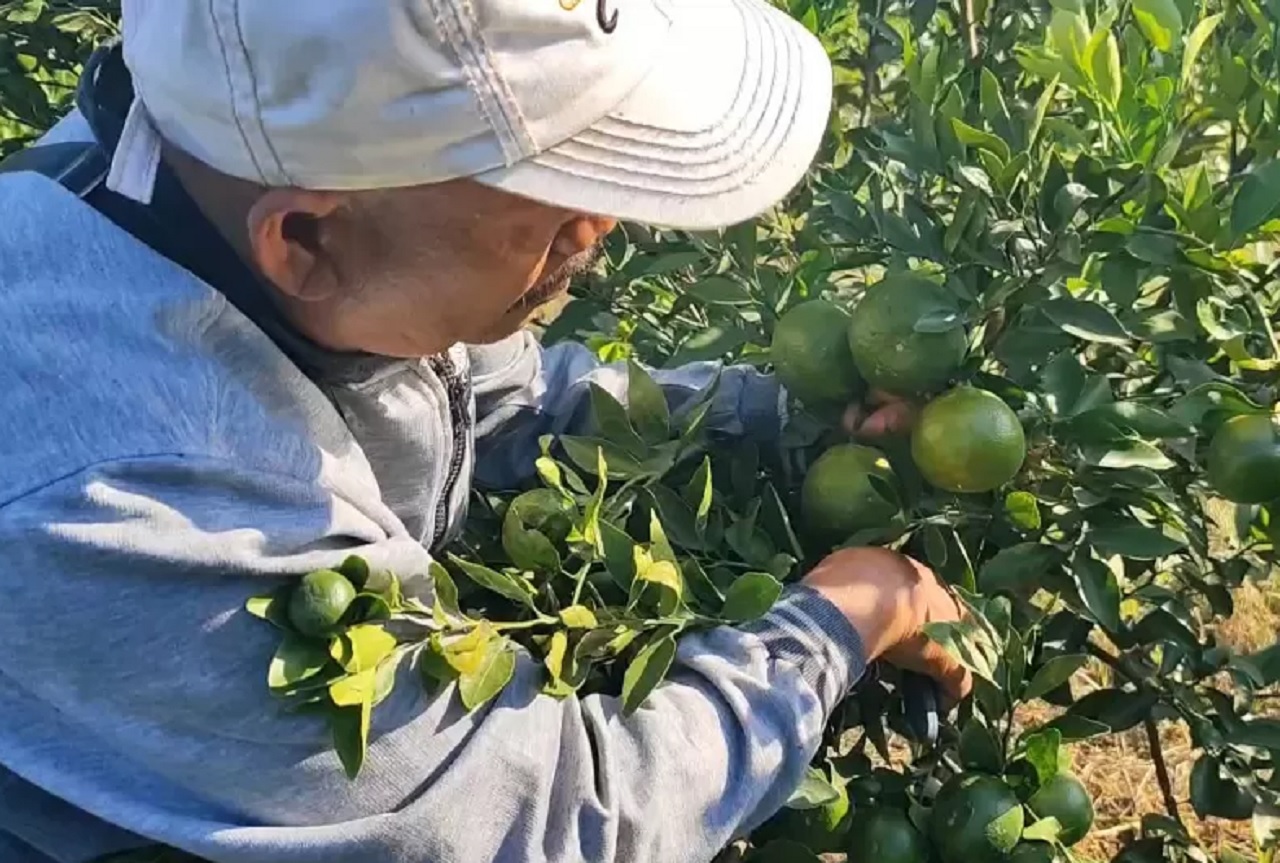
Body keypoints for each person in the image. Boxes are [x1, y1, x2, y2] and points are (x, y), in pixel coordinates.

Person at [0, 1, 970, 861]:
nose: (605, 224)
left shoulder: (212, 170)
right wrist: (841, 616)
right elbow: (538, 821)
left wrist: (796, 416)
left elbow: (501, 400)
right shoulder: (129, 493)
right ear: (302, 240)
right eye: (560, 188)